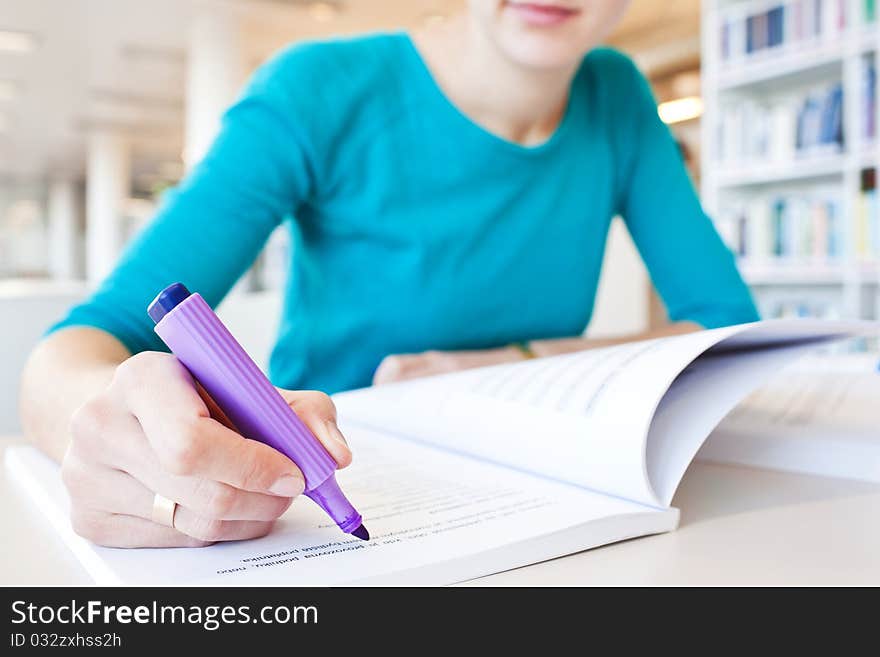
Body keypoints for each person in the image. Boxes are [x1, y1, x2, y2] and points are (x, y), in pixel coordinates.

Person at [19, 0, 758, 548]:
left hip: (537, 488)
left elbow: (724, 320)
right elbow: (79, 346)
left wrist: (503, 364)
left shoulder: (617, 95)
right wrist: (117, 440)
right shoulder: (318, 89)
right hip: (320, 495)